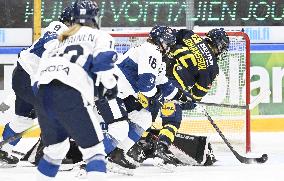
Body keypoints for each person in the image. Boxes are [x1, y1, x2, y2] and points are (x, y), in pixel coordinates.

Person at [33, 0, 118, 180]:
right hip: (70, 93)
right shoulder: (99, 36)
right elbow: (103, 64)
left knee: (56, 150)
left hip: (43, 93)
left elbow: (37, 78)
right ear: (94, 17)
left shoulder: (59, 39)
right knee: (95, 152)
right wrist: (110, 86)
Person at [127, 27, 230, 166]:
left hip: (156, 74)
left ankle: (138, 143)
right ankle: (161, 147)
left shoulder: (192, 36)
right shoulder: (212, 67)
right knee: (172, 118)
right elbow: (196, 95)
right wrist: (189, 102)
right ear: (219, 45)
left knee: (145, 113)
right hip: (173, 86)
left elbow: (170, 36)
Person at [97, 25, 194, 170]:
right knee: (120, 127)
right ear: (160, 41)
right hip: (109, 91)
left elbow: (164, 84)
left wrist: (182, 96)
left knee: (144, 118)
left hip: (120, 94)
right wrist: (159, 97)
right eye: (167, 43)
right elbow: (146, 87)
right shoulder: (150, 50)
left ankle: (117, 154)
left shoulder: (157, 57)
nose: (168, 48)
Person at [0, 6, 72, 167]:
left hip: (26, 78)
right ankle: (41, 156)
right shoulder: (60, 27)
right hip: (27, 78)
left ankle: (3, 150)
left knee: (23, 120)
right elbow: (51, 42)